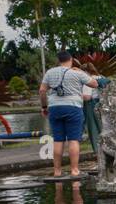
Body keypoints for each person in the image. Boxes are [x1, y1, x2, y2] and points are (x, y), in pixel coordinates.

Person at [39, 50, 98, 179]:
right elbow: (94, 84)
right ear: (71, 60)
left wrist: (44, 107)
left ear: (58, 60)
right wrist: (81, 71)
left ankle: (57, 172)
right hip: (73, 107)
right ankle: (74, 170)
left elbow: (42, 91)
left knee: (58, 140)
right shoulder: (76, 73)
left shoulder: (50, 72)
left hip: (54, 108)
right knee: (73, 139)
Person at [81, 61, 104, 154]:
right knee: (102, 127)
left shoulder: (88, 80)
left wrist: (75, 95)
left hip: (91, 105)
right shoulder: (101, 77)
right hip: (101, 104)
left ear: (85, 72)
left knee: (93, 128)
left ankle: (98, 150)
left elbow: (87, 97)